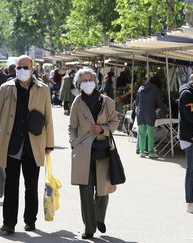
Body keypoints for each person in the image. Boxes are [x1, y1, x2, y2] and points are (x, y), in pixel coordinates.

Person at [0, 55, 54, 234]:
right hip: (11, 143)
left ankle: (30, 220)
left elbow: (48, 117)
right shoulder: (6, 87)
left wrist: (49, 144)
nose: (22, 70)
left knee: (31, 185)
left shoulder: (43, 89)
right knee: (11, 184)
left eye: (26, 67)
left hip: (34, 144)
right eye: (19, 67)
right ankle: (9, 222)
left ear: (32, 69)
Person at [68, 67, 120, 240]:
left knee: (103, 191)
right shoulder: (77, 102)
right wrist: (74, 143)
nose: (87, 83)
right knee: (85, 190)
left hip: (103, 149)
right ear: (78, 84)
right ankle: (89, 228)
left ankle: (99, 218)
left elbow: (115, 122)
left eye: (90, 79)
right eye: (83, 80)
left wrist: (103, 129)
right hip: (83, 151)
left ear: (95, 82)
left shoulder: (107, 101)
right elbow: (72, 127)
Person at [135, 75, 166, 158]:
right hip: (150, 114)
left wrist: (137, 111)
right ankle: (151, 152)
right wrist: (164, 111)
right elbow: (160, 102)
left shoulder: (140, 89)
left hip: (140, 113)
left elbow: (136, 102)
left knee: (141, 133)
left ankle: (142, 152)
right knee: (150, 133)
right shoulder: (155, 90)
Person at [178, 71, 193, 214]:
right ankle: (190, 202)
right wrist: (192, 134)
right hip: (190, 136)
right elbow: (190, 117)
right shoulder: (187, 94)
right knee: (191, 170)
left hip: (191, 134)